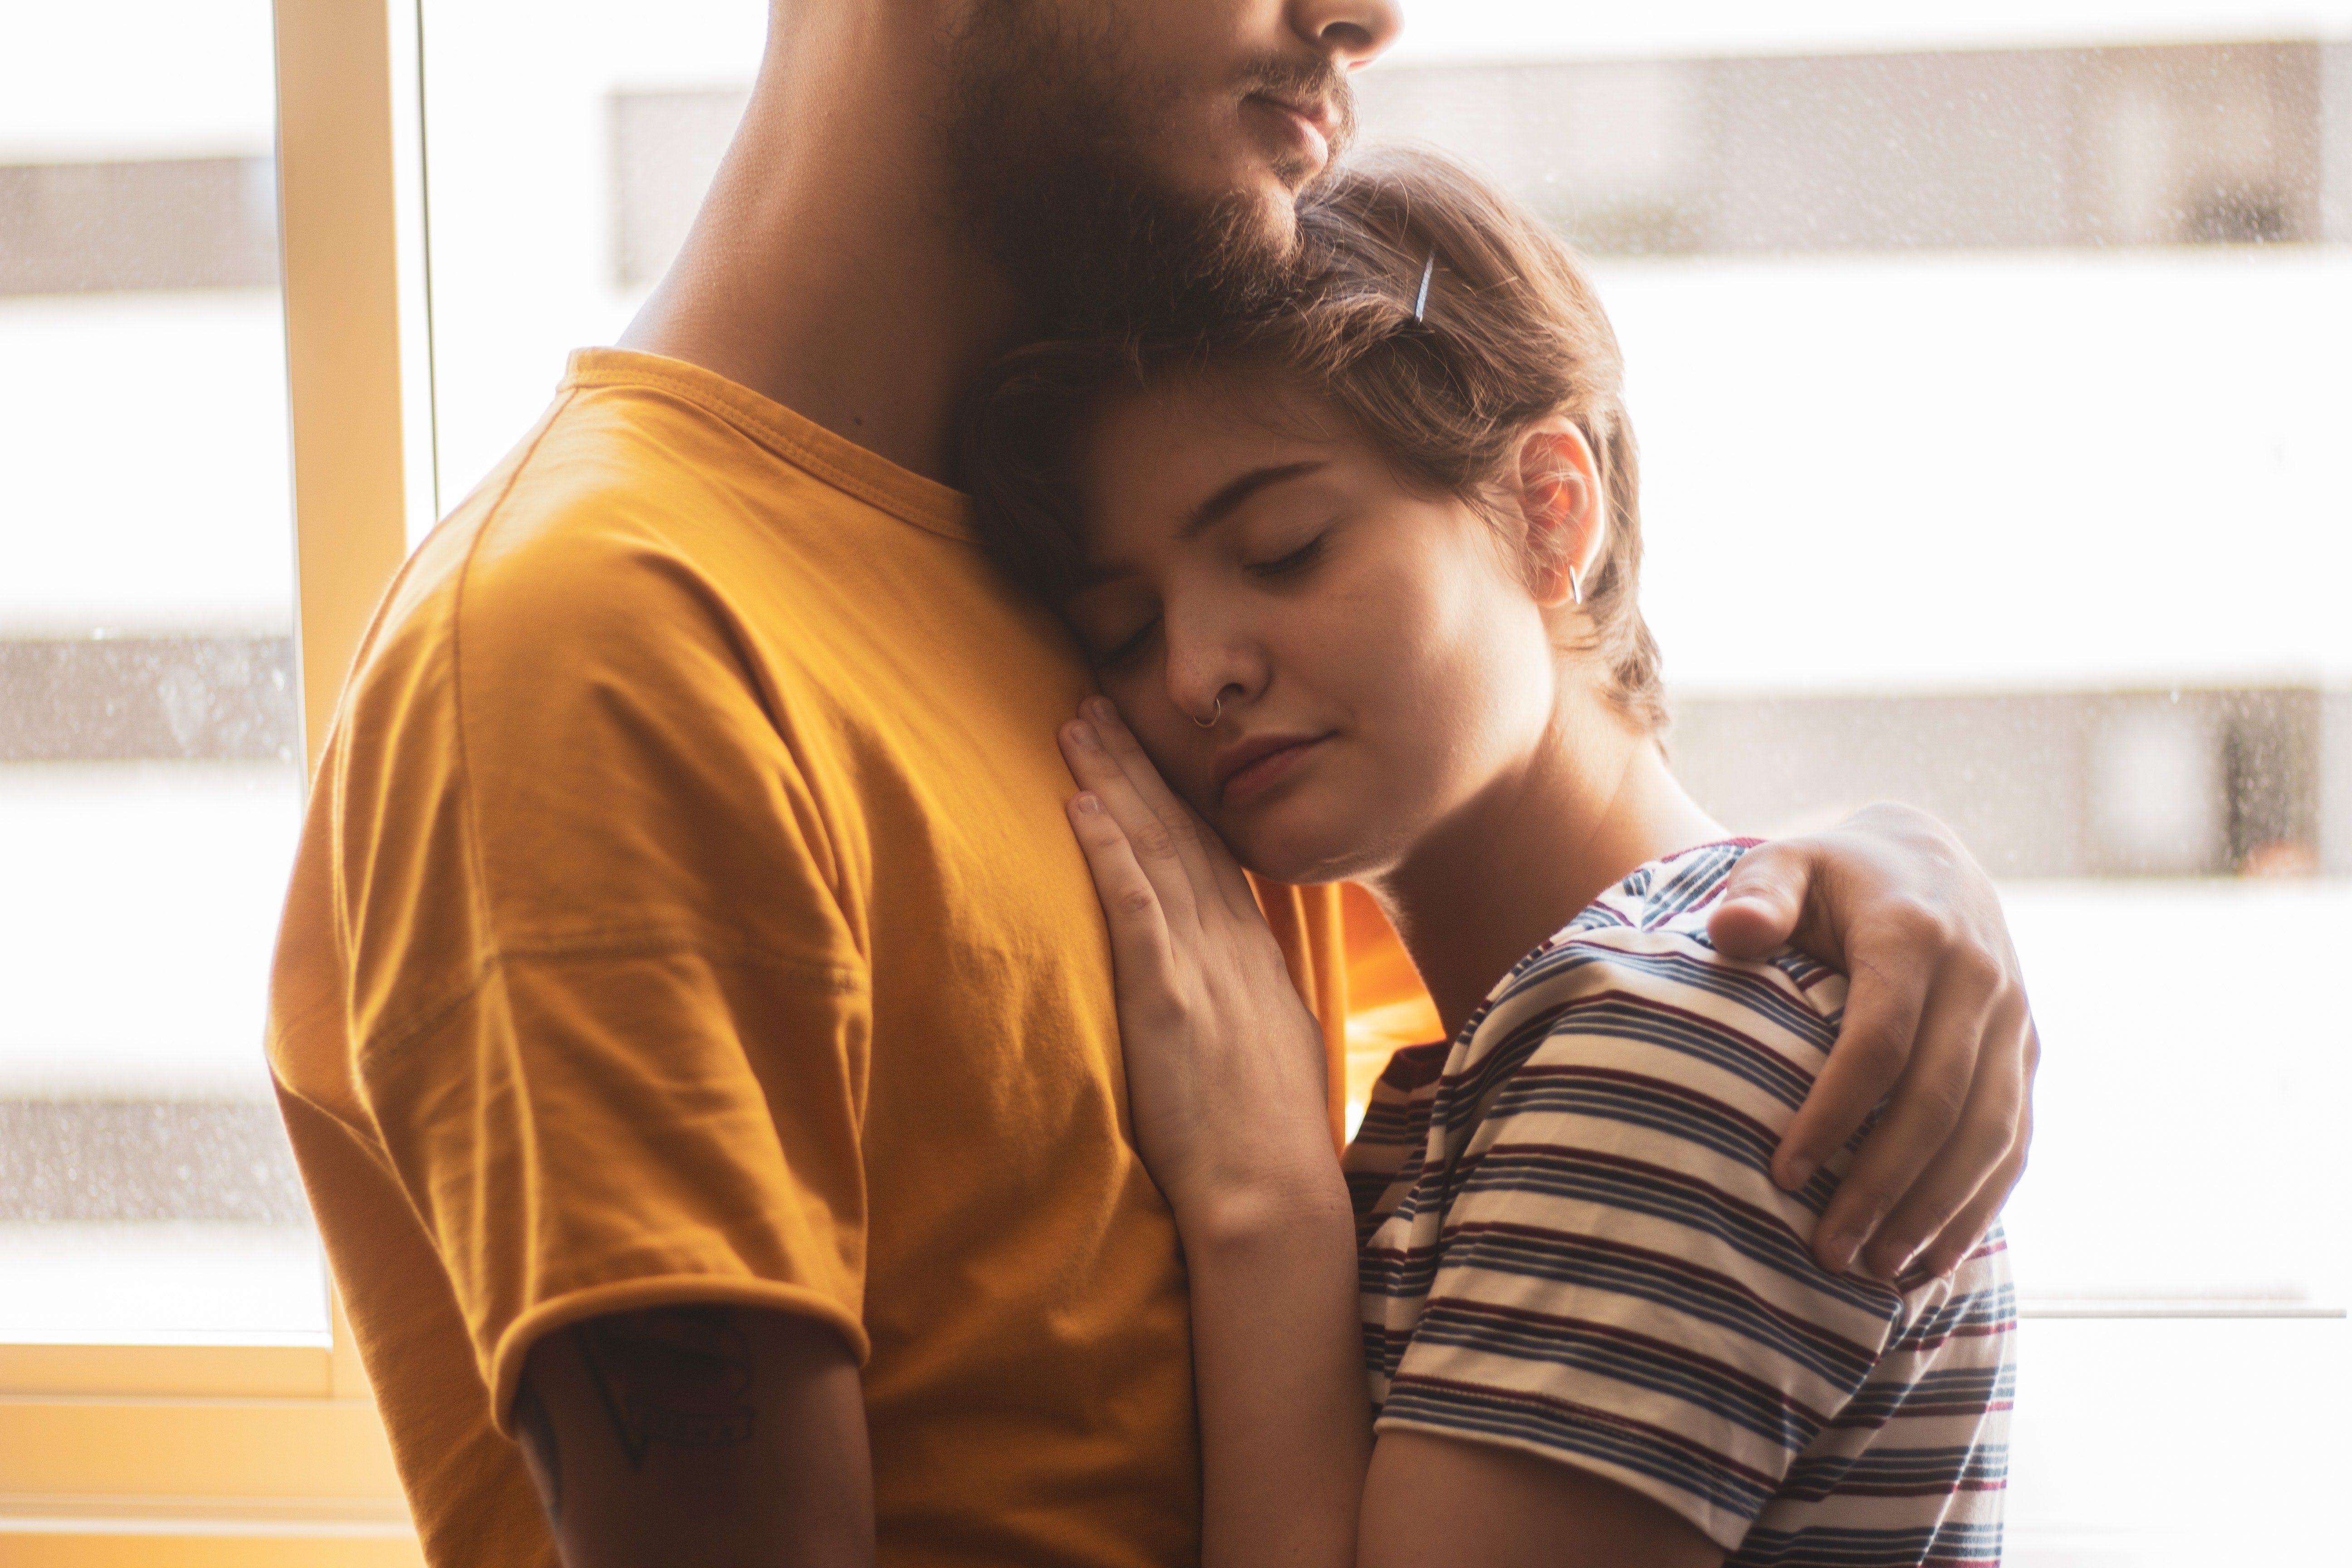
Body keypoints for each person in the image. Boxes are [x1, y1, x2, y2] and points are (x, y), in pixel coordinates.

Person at [265, 3, 2035, 1565]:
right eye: (1153, 616)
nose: (1371, 15)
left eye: (1277, 544)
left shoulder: (1082, 606)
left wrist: (1848, 874)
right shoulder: (599, 646)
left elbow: (1611, 1091)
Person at [967, 148, 2013, 1566]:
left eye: (1283, 547)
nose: (1201, 670)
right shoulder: (1528, 1047)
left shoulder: (1670, 1040)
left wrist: (1265, 1207)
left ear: (1550, 512)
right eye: (1125, 633)